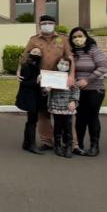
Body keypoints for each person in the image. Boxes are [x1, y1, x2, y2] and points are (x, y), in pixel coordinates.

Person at [18, 15, 72, 151]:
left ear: (54, 24)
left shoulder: (63, 39)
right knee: (43, 113)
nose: (47, 25)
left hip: (59, 80)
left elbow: (70, 58)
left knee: (64, 112)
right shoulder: (34, 39)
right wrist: (19, 70)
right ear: (40, 25)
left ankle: (70, 142)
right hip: (40, 81)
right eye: (44, 23)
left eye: (49, 23)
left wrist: (72, 75)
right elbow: (25, 56)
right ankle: (47, 141)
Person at [69, 27, 107, 156]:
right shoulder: (71, 52)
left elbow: (103, 67)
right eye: (74, 37)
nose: (77, 39)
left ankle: (94, 145)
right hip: (76, 90)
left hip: (94, 89)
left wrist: (87, 80)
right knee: (80, 117)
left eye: (80, 36)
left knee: (92, 117)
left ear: (86, 36)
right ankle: (78, 144)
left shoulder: (94, 50)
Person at [46, 58, 81, 158]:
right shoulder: (51, 76)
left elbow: (76, 90)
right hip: (56, 105)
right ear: (57, 64)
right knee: (57, 126)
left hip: (68, 106)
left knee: (68, 127)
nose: (63, 65)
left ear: (69, 67)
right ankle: (57, 146)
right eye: (61, 63)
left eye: (66, 64)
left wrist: (73, 101)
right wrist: (46, 89)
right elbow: (45, 91)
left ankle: (68, 146)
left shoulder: (71, 77)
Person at [15, 47, 44, 154]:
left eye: (39, 52)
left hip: (36, 96)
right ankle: (31, 144)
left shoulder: (38, 65)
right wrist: (37, 81)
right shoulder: (26, 65)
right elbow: (24, 82)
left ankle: (26, 143)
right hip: (29, 96)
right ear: (29, 53)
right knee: (32, 121)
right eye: (34, 52)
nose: (36, 53)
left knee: (32, 120)